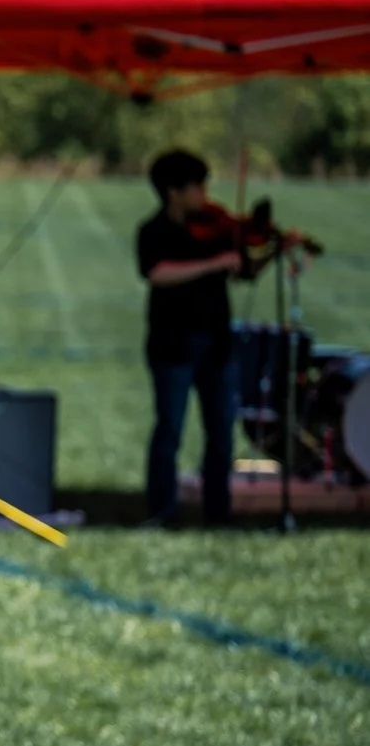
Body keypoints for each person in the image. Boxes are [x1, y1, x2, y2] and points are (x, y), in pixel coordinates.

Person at [139, 149, 244, 526]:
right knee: (170, 429)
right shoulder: (153, 231)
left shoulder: (217, 230)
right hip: (174, 345)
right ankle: (162, 511)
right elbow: (156, 271)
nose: (204, 193)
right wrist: (213, 264)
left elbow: (241, 268)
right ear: (174, 191)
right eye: (197, 185)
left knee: (221, 433)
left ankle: (219, 513)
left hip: (217, 344)